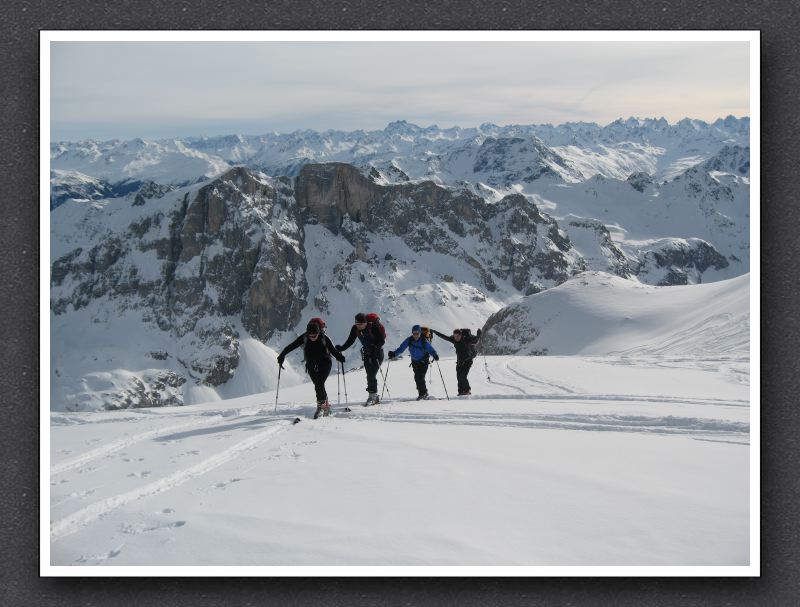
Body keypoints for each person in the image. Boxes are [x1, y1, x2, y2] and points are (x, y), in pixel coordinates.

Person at [277, 319, 345, 419]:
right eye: (310, 335)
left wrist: (339, 357)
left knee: (319, 383)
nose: (312, 337)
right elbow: (292, 346)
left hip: (325, 363)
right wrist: (282, 355)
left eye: (314, 335)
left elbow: (332, 350)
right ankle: (325, 405)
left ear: (319, 332)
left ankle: (321, 407)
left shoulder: (324, 338)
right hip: (311, 364)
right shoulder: (305, 337)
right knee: (318, 384)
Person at [336, 312, 387, 406]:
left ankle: (373, 396)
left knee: (372, 374)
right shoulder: (355, 329)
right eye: (356, 324)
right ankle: (373, 396)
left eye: (360, 324)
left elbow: (382, 340)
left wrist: (375, 348)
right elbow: (350, 340)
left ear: (365, 323)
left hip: (377, 354)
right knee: (369, 374)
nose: (358, 326)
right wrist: (342, 348)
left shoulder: (372, 327)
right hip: (367, 353)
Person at [388, 324, 439, 400]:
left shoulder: (424, 341)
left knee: (420, 377)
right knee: (417, 377)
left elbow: (430, 349)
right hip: (415, 362)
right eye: (414, 333)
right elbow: (401, 348)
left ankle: (423, 394)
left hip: (423, 361)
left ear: (420, 333)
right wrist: (394, 354)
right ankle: (422, 393)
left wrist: (435, 355)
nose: (415, 335)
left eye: (417, 333)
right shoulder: (409, 340)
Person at [432, 328, 481, 395]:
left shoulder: (466, 340)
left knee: (463, 376)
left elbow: (476, 339)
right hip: (460, 361)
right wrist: (435, 332)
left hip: (468, 361)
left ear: (461, 335)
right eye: (455, 336)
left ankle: (467, 391)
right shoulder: (453, 340)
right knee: (458, 376)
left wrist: (478, 334)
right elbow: (444, 337)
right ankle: (460, 391)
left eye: (457, 336)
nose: (456, 338)